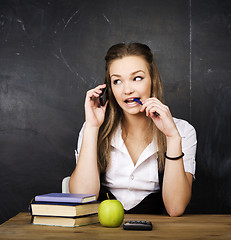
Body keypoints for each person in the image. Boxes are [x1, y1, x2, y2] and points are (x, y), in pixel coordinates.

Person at [69, 43, 197, 216]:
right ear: (110, 88)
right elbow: (81, 197)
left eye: (137, 78)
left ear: (153, 80)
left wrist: (172, 137)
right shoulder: (92, 128)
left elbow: (175, 208)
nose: (127, 90)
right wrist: (92, 127)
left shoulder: (182, 131)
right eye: (117, 81)